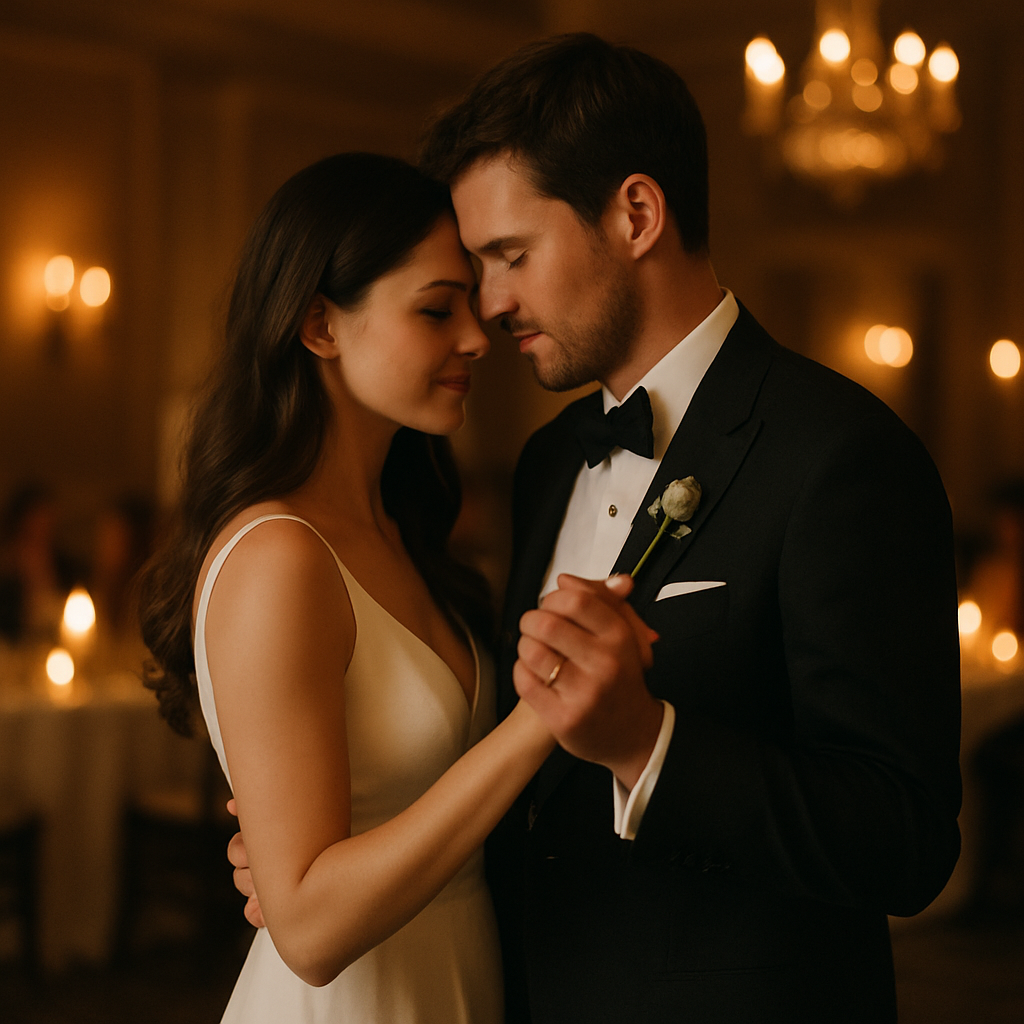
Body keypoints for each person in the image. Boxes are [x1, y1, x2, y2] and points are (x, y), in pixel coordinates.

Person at [231, 34, 962, 1023]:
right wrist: (317, 858)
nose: (491, 306)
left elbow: (906, 842)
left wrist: (651, 745)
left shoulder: (840, 455)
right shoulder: (547, 462)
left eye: (510, 256)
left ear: (636, 215)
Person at [136, 152, 599, 1023]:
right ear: (320, 324)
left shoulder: (405, 532)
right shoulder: (280, 556)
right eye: (436, 308)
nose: (477, 337)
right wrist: (541, 718)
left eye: (471, 305)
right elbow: (310, 931)